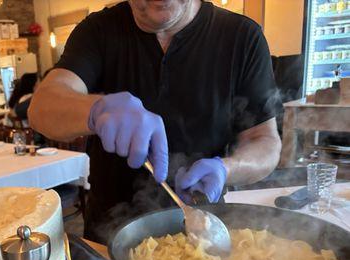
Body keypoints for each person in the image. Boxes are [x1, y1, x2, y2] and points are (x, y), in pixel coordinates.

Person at [29, 0, 282, 243]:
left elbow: (265, 142)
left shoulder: (242, 37)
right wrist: (96, 110)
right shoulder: (97, 31)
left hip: (203, 230)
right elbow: (41, 107)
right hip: (110, 234)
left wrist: (227, 168)